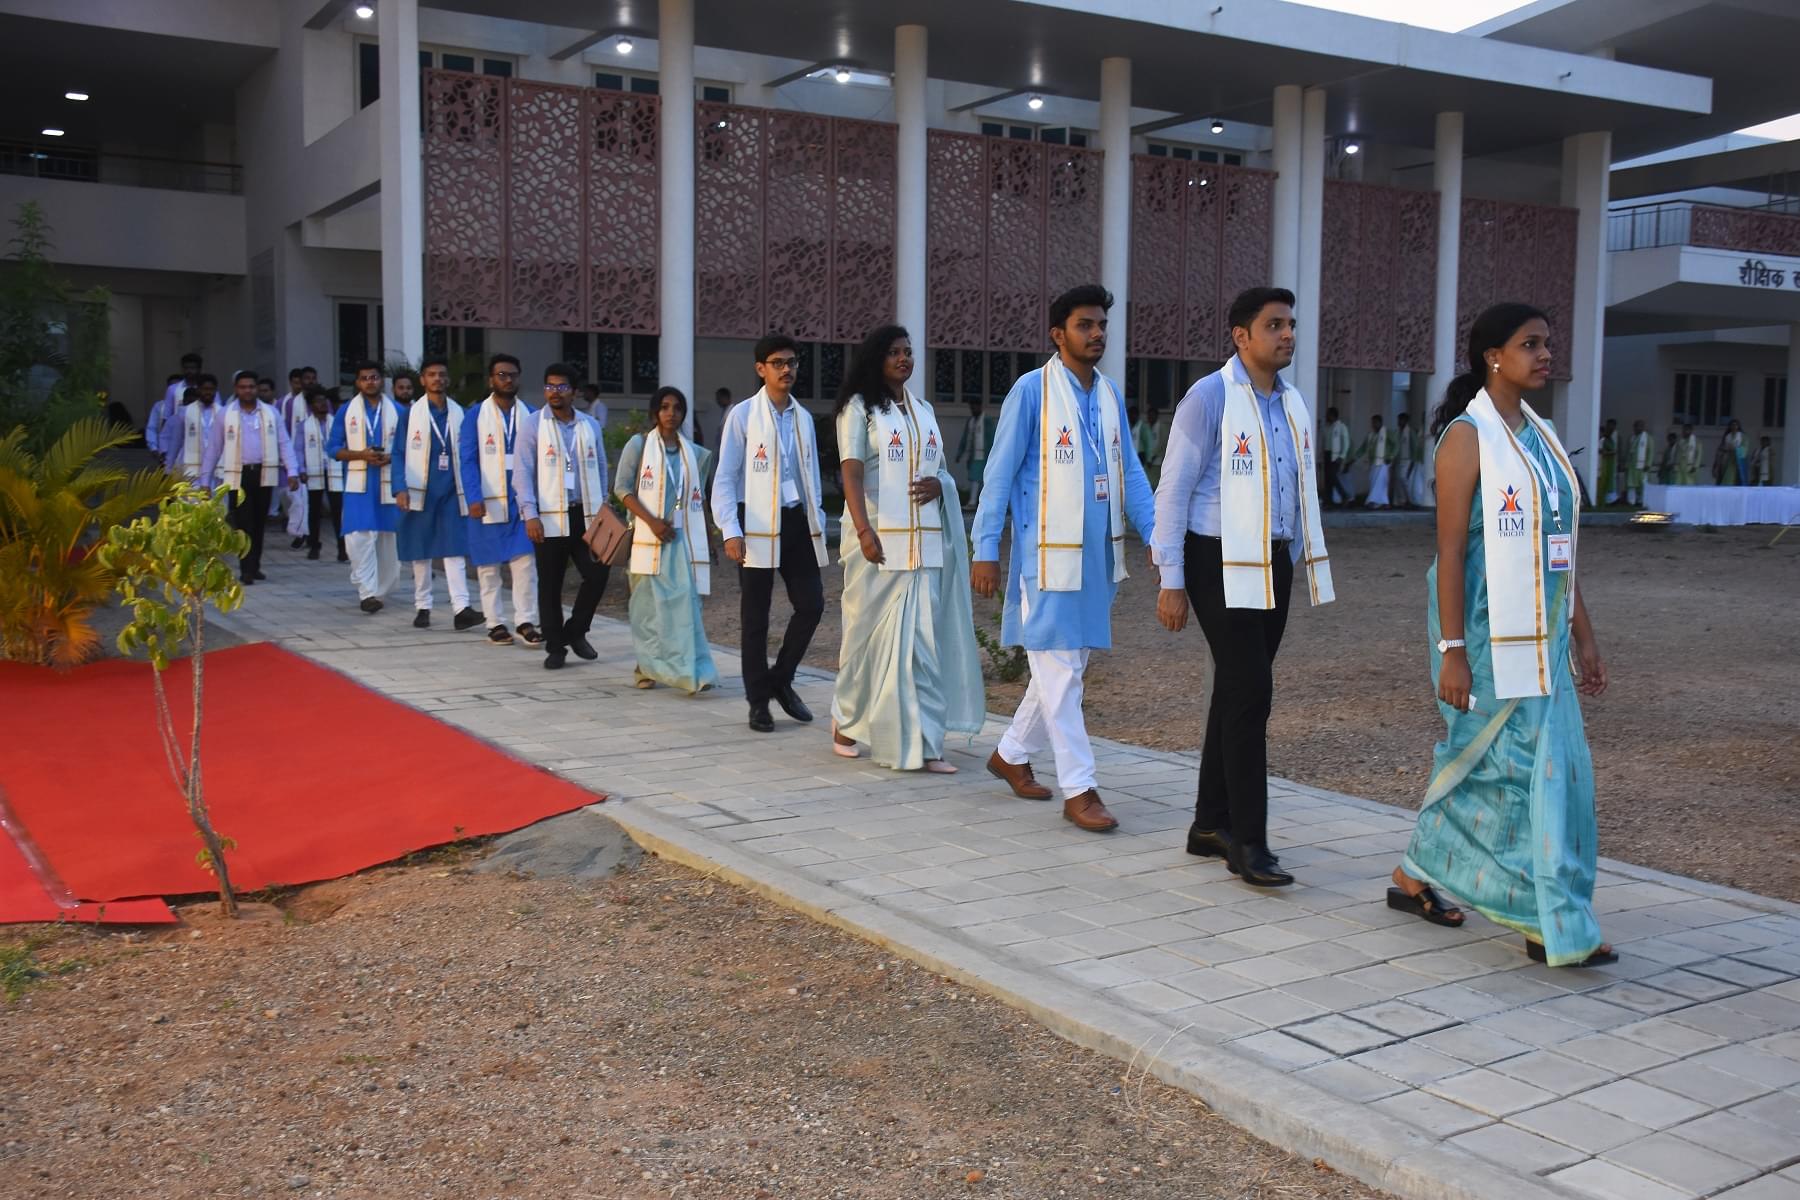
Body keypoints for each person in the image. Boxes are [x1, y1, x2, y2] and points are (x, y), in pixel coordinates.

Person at [1390, 301, 1613, 968]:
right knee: (1505, 767)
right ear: (1493, 355)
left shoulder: (1540, 435)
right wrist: (1452, 653)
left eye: (1547, 342)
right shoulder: (1467, 436)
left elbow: (1559, 549)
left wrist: (1585, 633)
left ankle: (1413, 874)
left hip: (1543, 633)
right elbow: (1451, 550)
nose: (1546, 354)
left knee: (1549, 773)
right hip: (1486, 632)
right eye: (1530, 344)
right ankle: (1545, 918)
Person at [1153, 287, 1333, 886]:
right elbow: (1173, 492)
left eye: (1291, 324)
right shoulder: (1208, 399)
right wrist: (1171, 580)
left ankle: (1208, 824)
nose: (1287, 334)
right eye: (1274, 325)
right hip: (1217, 560)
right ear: (1240, 336)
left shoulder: (1291, 403)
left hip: (1272, 559)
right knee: (1252, 692)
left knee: (1236, 691)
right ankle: (1249, 843)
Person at [972, 284, 1155, 834]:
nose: (1097, 333)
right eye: (1084, 325)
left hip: (1097, 559)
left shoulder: (1108, 395)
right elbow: (998, 475)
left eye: (1101, 324)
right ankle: (1081, 788)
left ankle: (1010, 753)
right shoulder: (1031, 393)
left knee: (1065, 666)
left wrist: (1155, 533)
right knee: (1059, 670)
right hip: (1044, 559)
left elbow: (1131, 473)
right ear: (1059, 334)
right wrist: (985, 549)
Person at [831, 325, 983, 772]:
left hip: (924, 546)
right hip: (876, 542)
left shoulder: (924, 411)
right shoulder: (859, 410)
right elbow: (852, 474)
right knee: (866, 640)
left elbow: (937, 470)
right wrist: (863, 530)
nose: (904, 359)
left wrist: (944, 485)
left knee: (923, 644)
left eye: (908, 352)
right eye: (894, 352)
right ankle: (847, 719)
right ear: (876, 358)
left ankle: (924, 742)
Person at [711, 335, 828, 732]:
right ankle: (758, 701)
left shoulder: (803, 417)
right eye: (777, 362)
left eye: (792, 362)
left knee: (811, 605)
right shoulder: (743, 416)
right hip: (756, 520)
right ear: (761, 368)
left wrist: (818, 524)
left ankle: (780, 679)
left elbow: (810, 477)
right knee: (755, 618)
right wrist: (730, 529)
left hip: (796, 521)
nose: (787, 369)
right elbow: (725, 478)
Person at [617, 387, 719, 694]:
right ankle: (645, 667)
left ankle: (692, 672)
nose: (670, 413)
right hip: (649, 539)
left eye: (676, 408)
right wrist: (653, 522)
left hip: (682, 541)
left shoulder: (694, 454)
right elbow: (622, 489)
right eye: (664, 407)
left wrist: (710, 537)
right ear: (654, 412)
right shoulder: (639, 445)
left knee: (685, 609)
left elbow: (699, 499)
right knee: (648, 610)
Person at [515, 363, 609, 670]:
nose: (555, 393)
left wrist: (604, 507)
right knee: (550, 584)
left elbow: (602, 468)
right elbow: (523, 473)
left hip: (586, 513)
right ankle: (556, 647)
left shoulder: (589, 425)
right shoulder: (533, 425)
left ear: (575, 392)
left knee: (598, 573)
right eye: (550, 387)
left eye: (562, 387)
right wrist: (530, 514)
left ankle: (576, 630)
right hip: (549, 515)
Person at [458, 354, 542, 647]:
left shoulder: (532, 415)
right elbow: (467, 459)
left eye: (513, 375)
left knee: (525, 562)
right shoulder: (474, 415)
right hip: (487, 499)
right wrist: (473, 496)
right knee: (488, 565)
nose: (508, 380)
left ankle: (526, 620)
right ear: (490, 379)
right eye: (502, 375)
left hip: (522, 500)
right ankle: (494, 623)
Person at [396, 358, 482, 630]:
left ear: (448, 380)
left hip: (451, 491)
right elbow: (398, 453)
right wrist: (399, 488)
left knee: (454, 548)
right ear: (422, 380)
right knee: (422, 550)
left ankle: (461, 608)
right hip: (421, 489)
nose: (437, 379)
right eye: (431, 375)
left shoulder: (461, 413)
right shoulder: (410, 415)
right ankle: (423, 606)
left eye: (442, 375)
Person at [198, 370, 299, 585]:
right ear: (236, 389)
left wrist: (292, 471)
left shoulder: (271, 413)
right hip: (237, 475)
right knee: (243, 523)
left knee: (259, 522)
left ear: (256, 388)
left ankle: (255, 564)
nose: (248, 391)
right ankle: (246, 568)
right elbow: (214, 449)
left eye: (251, 387)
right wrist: (204, 481)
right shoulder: (226, 414)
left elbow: (284, 443)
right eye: (243, 387)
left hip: (263, 472)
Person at [326, 360, 404, 614]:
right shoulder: (346, 412)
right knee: (358, 539)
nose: (370, 382)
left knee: (386, 539)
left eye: (374, 377)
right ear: (357, 383)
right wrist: (361, 454)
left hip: (388, 481)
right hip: (358, 484)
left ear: (382, 381)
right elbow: (332, 448)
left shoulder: (398, 411)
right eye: (364, 378)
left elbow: (408, 449)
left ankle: (379, 592)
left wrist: (390, 457)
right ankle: (366, 591)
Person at [296, 387, 343, 561]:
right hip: (314, 471)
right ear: (310, 405)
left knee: (338, 511)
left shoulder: (337, 422)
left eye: (324, 400)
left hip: (334, 471)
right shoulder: (304, 426)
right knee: (314, 512)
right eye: (318, 401)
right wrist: (300, 469)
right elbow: (299, 450)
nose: (322, 404)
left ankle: (342, 547)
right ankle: (314, 545)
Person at [161, 385, 218, 490]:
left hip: (214, 468)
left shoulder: (220, 411)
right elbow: (175, 442)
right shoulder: (182, 416)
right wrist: (168, 468)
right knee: (191, 502)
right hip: (189, 467)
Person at [147, 354, 202, 461]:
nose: (189, 371)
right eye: (186, 368)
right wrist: (162, 447)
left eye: (193, 368)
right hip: (177, 438)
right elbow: (167, 417)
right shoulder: (173, 389)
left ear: (199, 369)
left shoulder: (206, 389)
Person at [956, 397, 995, 512]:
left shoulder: (987, 420)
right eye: (971, 407)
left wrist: (992, 455)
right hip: (974, 455)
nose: (973, 409)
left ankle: (975, 502)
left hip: (985, 454)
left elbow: (992, 437)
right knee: (975, 478)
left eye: (975, 407)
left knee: (981, 479)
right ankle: (974, 502)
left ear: (980, 407)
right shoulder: (971, 421)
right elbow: (965, 438)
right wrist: (960, 453)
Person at [1360, 414, 1392, 509]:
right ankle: (1382, 503)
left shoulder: (1387, 433)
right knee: (1374, 481)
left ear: (1380, 422)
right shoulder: (1371, 435)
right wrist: (1355, 456)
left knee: (1380, 482)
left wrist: (1391, 456)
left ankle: (1373, 501)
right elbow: (1363, 448)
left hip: (1383, 462)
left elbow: (1396, 445)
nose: (1373, 424)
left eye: (1375, 422)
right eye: (1372, 422)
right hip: (1373, 462)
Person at [1323, 406, 1352, 506]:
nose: (1327, 417)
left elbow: (1346, 442)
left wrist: (1342, 456)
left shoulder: (1341, 427)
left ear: (1333, 415)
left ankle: (1344, 495)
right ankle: (1329, 501)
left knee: (1333, 477)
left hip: (1335, 456)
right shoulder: (1327, 427)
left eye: (1328, 415)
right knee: (1327, 479)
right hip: (1327, 454)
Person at [1394, 412, 1423, 508]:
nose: (1399, 422)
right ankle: (1402, 500)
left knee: (1405, 479)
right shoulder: (1397, 432)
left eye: (1401, 420)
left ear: (1405, 421)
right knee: (1398, 480)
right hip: (1399, 460)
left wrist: (1413, 461)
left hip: (1408, 460)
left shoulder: (1410, 432)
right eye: (1399, 420)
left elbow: (1415, 447)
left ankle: (1409, 500)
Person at [1133, 404, 1164, 487]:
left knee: (1156, 483)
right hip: (1148, 461)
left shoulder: (1162, 427)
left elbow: (1162, 444)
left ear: (1157, 416)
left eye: (1152, 416)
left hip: (1157, 461)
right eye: (1149, 416)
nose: (1150, 417)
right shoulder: (1146, 427)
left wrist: (1153, 455)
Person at [1624, 419, 1653, 506]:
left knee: (1642, 485)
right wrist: (1626, 464)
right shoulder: (1632, 438)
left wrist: (1648, 464)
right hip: (1632, 466)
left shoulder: (1648, 438)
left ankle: (1641, 501)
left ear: (1643, 427)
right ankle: (1631, 501)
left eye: (1640, 426)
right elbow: (1628, 452)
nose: (1637, 428)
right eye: (1636, 426)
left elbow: (1650, 452)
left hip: (1642, 466)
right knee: (1631, 484)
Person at [1716, 418, 1749, 485]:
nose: (1734, 427)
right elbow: (1723, 447)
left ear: (1738, 426)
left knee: (1740, 477)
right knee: (1728, 476)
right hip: (1729, 459)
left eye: (1735, 425)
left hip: (1739, 459)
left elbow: (1745, 447)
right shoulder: (1727, 436)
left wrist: (1737, 449)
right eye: (1732, 425)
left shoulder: (1743, 436)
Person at [1597, 417, 1619, 503]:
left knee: (1609, 481)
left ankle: (1609, 500)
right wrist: (1611, 453)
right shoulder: (1603, 439)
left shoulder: (1613, 437)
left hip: (1610, 464)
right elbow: (1601, 451)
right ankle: (1602, 500)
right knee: (1602, 482)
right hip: (1603, 463)